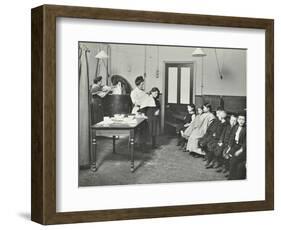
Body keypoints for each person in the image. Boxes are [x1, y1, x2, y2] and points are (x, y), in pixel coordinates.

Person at [227, 113, 247, 180]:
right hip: (235, 146)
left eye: (243, 119)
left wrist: (241, 150)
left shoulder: (246, 129)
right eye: (240, 119)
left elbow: (246, 142)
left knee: (234, 159)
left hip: (243, 148)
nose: (241, 121)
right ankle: (232, 173)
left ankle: (231, 177)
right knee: (228, 154)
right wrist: (229, 147)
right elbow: (232, 138)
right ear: (237, 120)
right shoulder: (236, 127)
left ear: (245, 120)